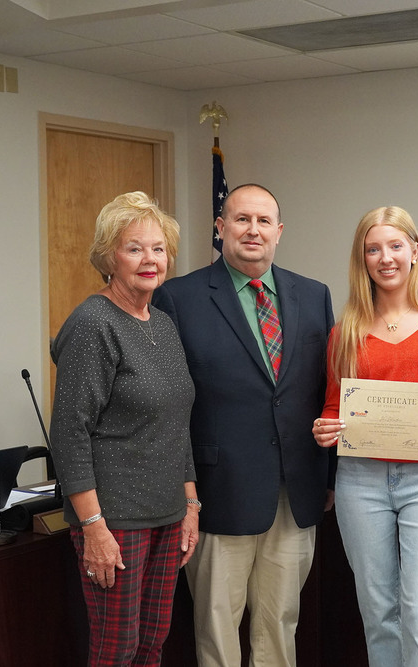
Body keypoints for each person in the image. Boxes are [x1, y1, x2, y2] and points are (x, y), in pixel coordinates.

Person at [152, 183, 334, 667]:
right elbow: (172, 406)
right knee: (217, 623)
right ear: (220, 228)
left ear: (279, 231)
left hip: (295, 490)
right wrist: (186, 492)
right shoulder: (178, 298)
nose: (252, 230)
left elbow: (326, 391)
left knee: (280, 622)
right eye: (240, 219)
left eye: (263, 221)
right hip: (218, 490)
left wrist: (329, 475)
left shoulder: (314, 296)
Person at [312, 206, 418, 667]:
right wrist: (326, 428)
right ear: (362, 259)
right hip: (360, 482)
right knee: (379, 613)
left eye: (395, 246)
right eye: (373, 249)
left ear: (415, 252)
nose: (386, 258)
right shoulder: (344, 330)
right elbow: (333, 405)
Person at [49, 191, 198, 667]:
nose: (149, 259)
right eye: (134, 248)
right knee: (118, 650)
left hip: (167, 514)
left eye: (158, 248)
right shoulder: (93, 323)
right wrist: (93, 528)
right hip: (115, 521)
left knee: (153, 643)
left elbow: (177, 422)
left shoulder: (165, 324)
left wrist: (190, 503)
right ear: (109, 257)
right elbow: (69, 433)